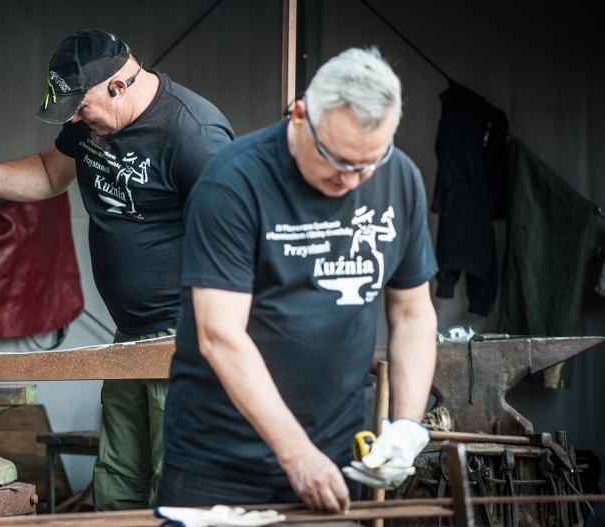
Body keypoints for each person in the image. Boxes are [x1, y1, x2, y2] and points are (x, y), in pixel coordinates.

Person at [0, 28, 235, 510]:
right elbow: (52, 171)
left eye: (81, 106)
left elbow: (240, 242)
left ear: (118, 85)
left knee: (175, 480)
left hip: (186, 340)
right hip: (129, 335)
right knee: (117, 476)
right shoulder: (92, 122)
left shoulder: (193, 135)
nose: (74, 118)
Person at [158, 47, 437, 512]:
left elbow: (411, 312)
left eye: (369, 163)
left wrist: (407, 425)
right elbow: (219, 334)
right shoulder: (232, 183)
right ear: (301, 114)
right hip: (219, 464)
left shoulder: (400, 179)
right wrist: (295, 453)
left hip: (332, 457)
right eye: (338, 159)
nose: (352, 179)